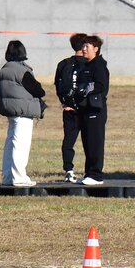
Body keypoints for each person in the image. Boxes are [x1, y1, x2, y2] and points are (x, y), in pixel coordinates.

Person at [0, 40, 47, 187]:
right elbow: (38, 90)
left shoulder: (3, 70)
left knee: (11, 144)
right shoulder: (22, 70)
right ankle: (19, 177)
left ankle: (7, 177)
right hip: (23, 112)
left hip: (10, 111)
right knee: (21, 145)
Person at [74, 35, 110, 186]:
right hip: (85, 109)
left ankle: (96, 175)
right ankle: (89, 173)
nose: (83, 49)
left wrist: (86, 90)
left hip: (95, 109)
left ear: (96, 49)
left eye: (87, 46)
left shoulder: (99, 66)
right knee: (87, 142)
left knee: (95, 142)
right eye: (83, 46)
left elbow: (101, 86)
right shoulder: (85, 65)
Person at [53, 32, 89, 183]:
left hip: (69, 109)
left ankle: (69, 170)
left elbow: (58, 84)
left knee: (68, 141)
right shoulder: (90, 63)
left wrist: (64, 102)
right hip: (86, 109)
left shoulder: (63, 64)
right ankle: (91, 171)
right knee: (90, 141)